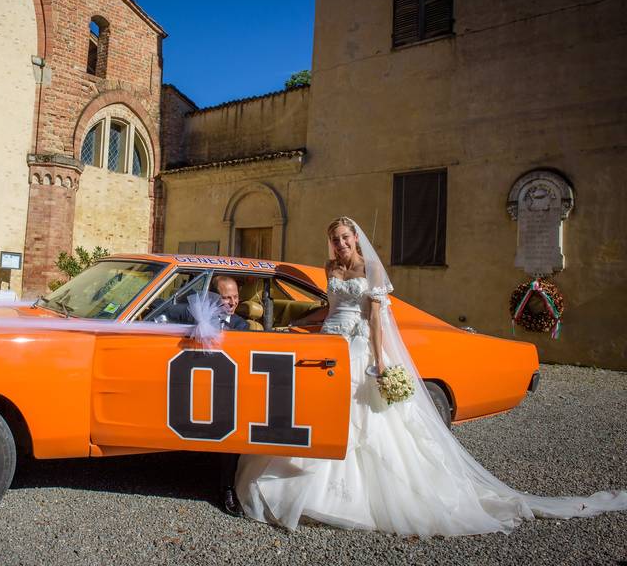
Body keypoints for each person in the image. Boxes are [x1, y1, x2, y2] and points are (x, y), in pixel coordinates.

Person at [234, 216, 627, 536]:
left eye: (344, 237)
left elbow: (374, 318)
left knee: (362, 422)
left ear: (356, 238)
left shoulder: (368, 268)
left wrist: (379, 362)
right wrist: (303, 328)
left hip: (355, 347)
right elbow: (330, 306)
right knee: (317, 414)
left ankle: (349, 497)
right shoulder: (330, 267)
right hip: (327, 344)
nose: (339, 245)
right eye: (334, 239)